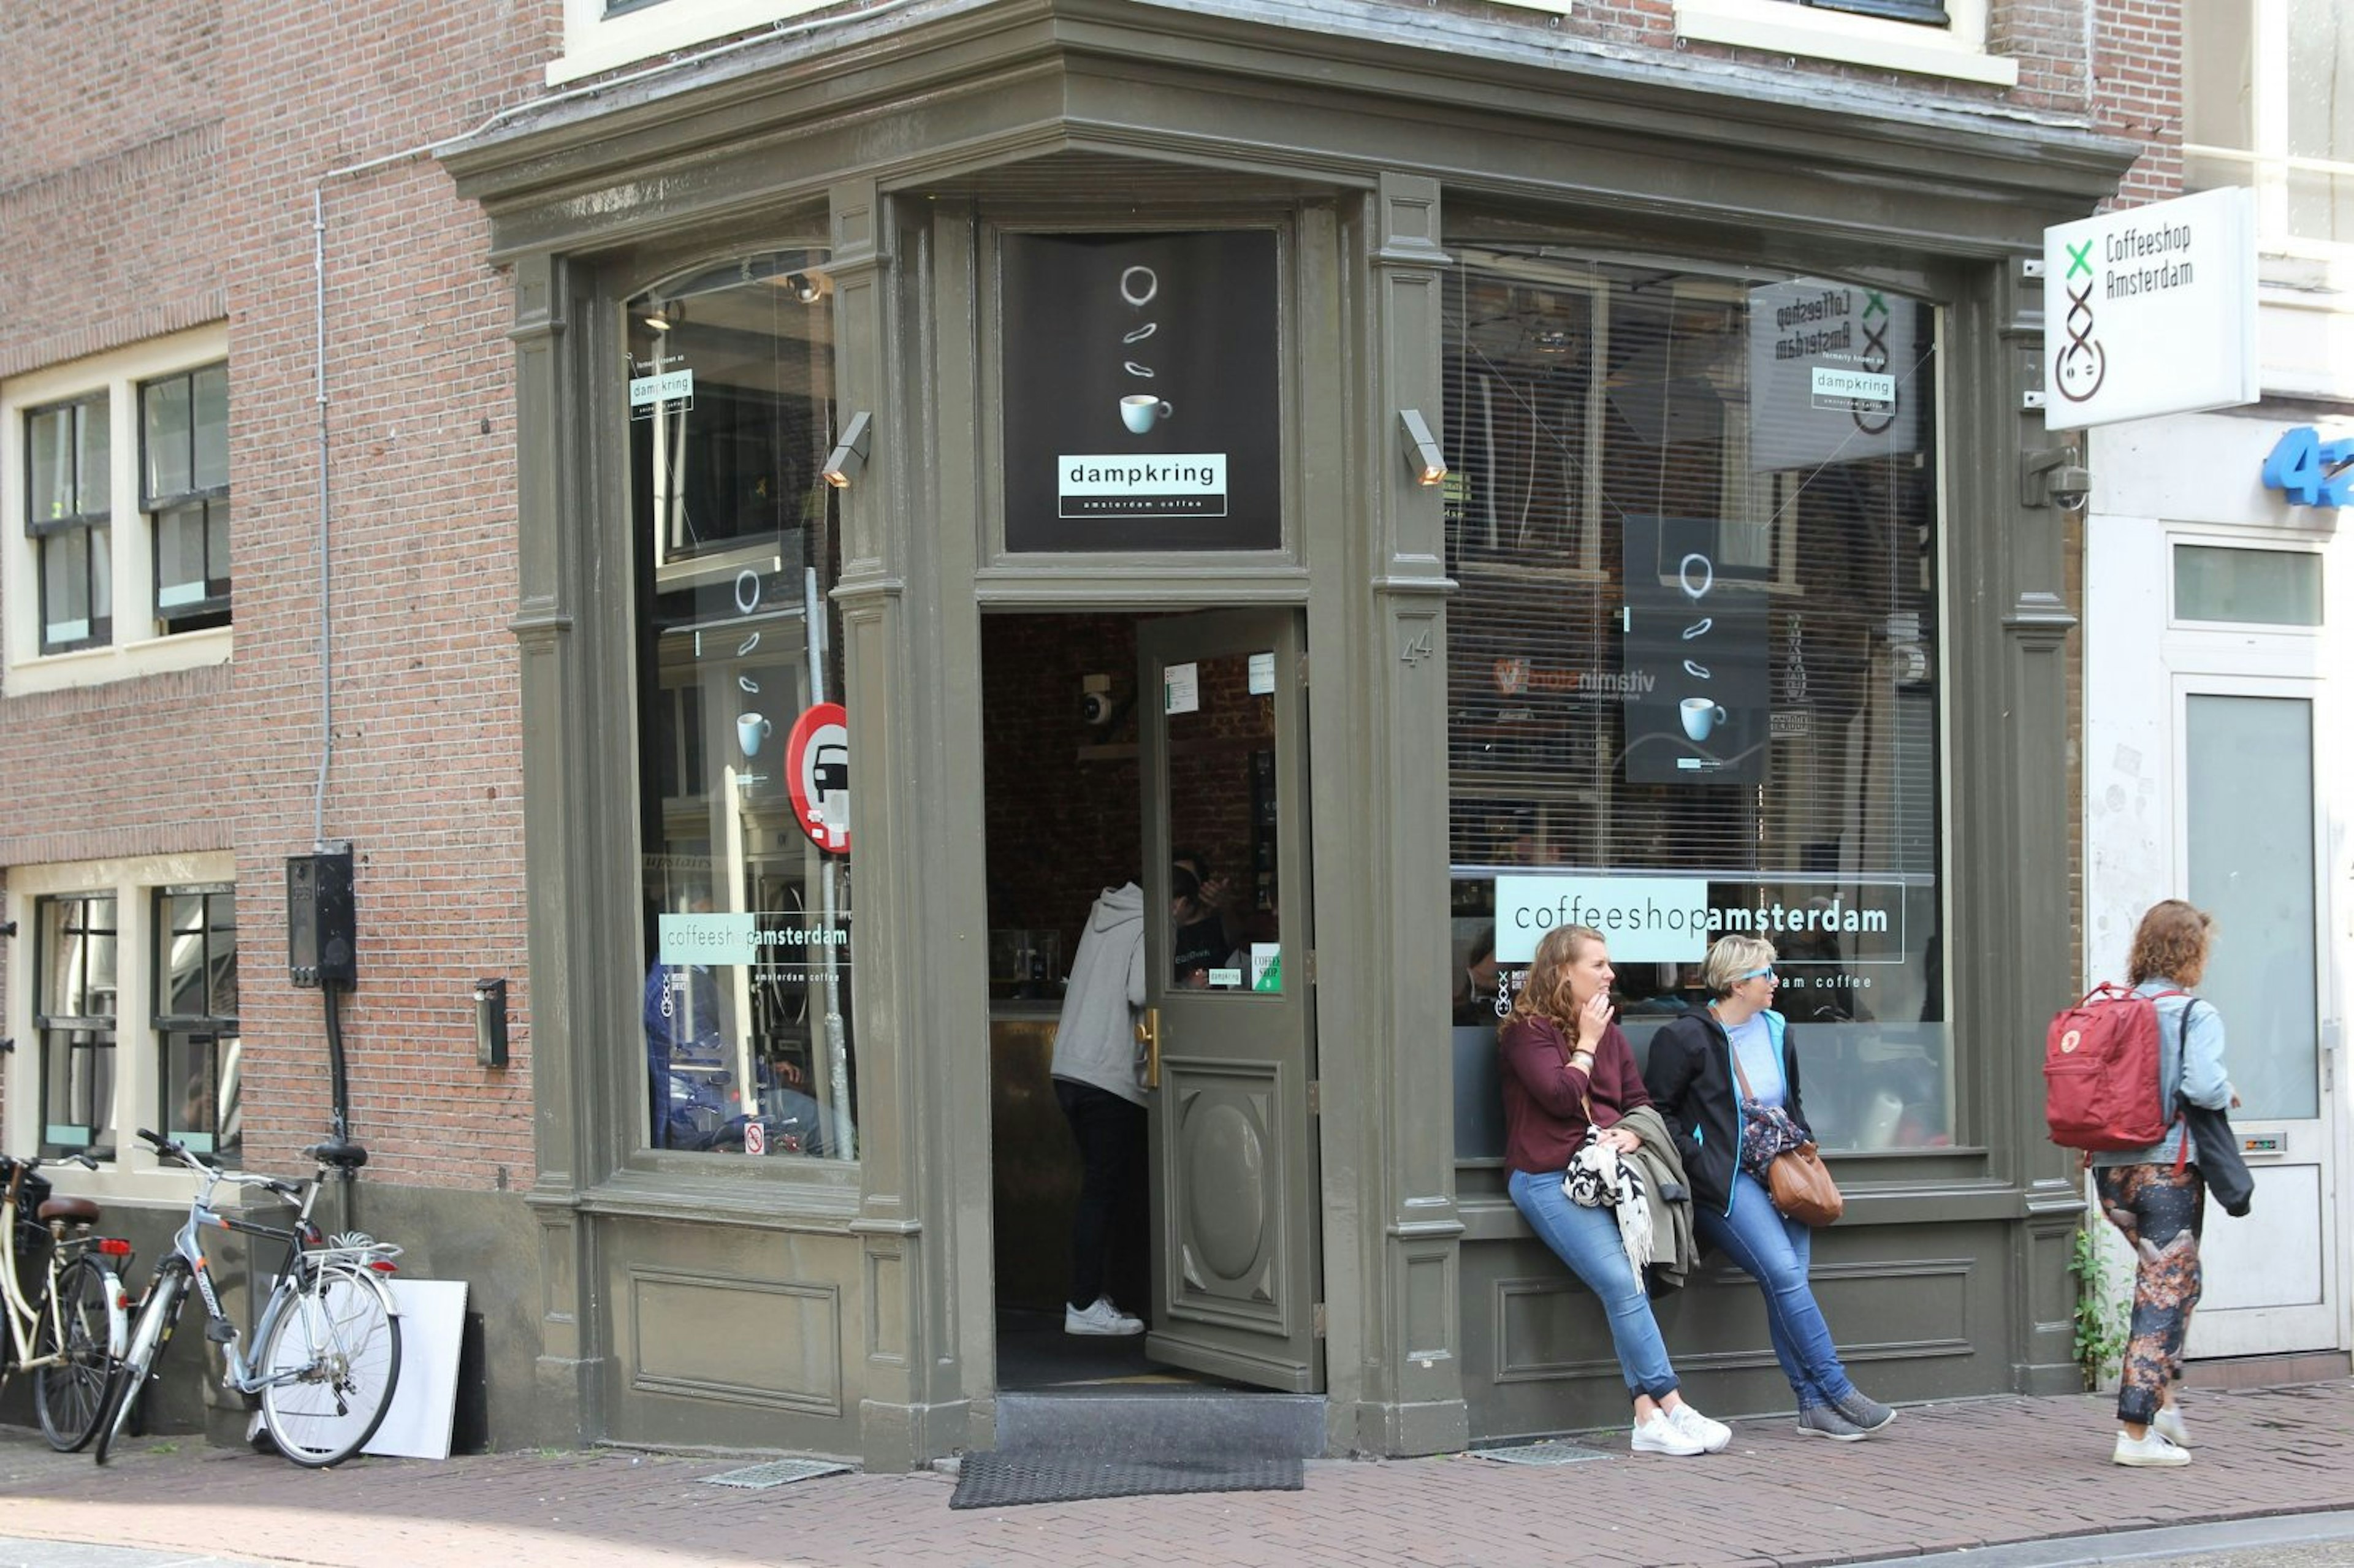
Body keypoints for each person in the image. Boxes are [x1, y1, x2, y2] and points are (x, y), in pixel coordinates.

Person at [1643, 934, 1897, 1442]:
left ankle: (1811, 1407)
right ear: (1737, 983)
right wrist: (1700, 1160)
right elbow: (1659, 1111)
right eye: (1766, 974)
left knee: (1790, 1282)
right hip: (1727, 1182)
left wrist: (1802, 1149)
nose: (1775, 982)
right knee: (1784, 1274)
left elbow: (1791, 1100)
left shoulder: (1778, 1029)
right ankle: (1838, 1389)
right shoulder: (1687, 1037)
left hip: (1783, 1174)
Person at [1498, 924, 1731, 1457]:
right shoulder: (1526, 1032)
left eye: (1609, 963)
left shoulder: (1614, 1033)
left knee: (1628, 1284)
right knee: (1622, 1283)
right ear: (1563, 971)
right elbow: (1560, 1097)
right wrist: (1585, 1042)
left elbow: (1639, 1098)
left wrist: (1632, 1130)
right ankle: (1672, 1405)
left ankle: (1646, 1418)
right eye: (1598, 964)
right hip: (1546, 1177)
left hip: (1611, 1176)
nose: (1611, 973)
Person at [2090, 899, 2234, 1467]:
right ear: (2191, 953)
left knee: (2182, 1281)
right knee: (2162, 1295)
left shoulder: (2115, 1008)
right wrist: (2226, 1091)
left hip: (2110, 1172)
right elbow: (2203, 1088)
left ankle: (2165, 1400)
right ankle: (2135, 1433)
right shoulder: (2193, 1013)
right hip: (2166, 1172)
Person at [1051, 880, 1151, 1335]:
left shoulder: (1102, 915)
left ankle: (1095, 1295)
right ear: (1178, 901)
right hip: (1108, 1073)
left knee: (1102, 1188)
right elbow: (1144, 992)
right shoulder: (1150, 923)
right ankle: (1085, 1302)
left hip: (1070, 1068)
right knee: (1105, 1192)